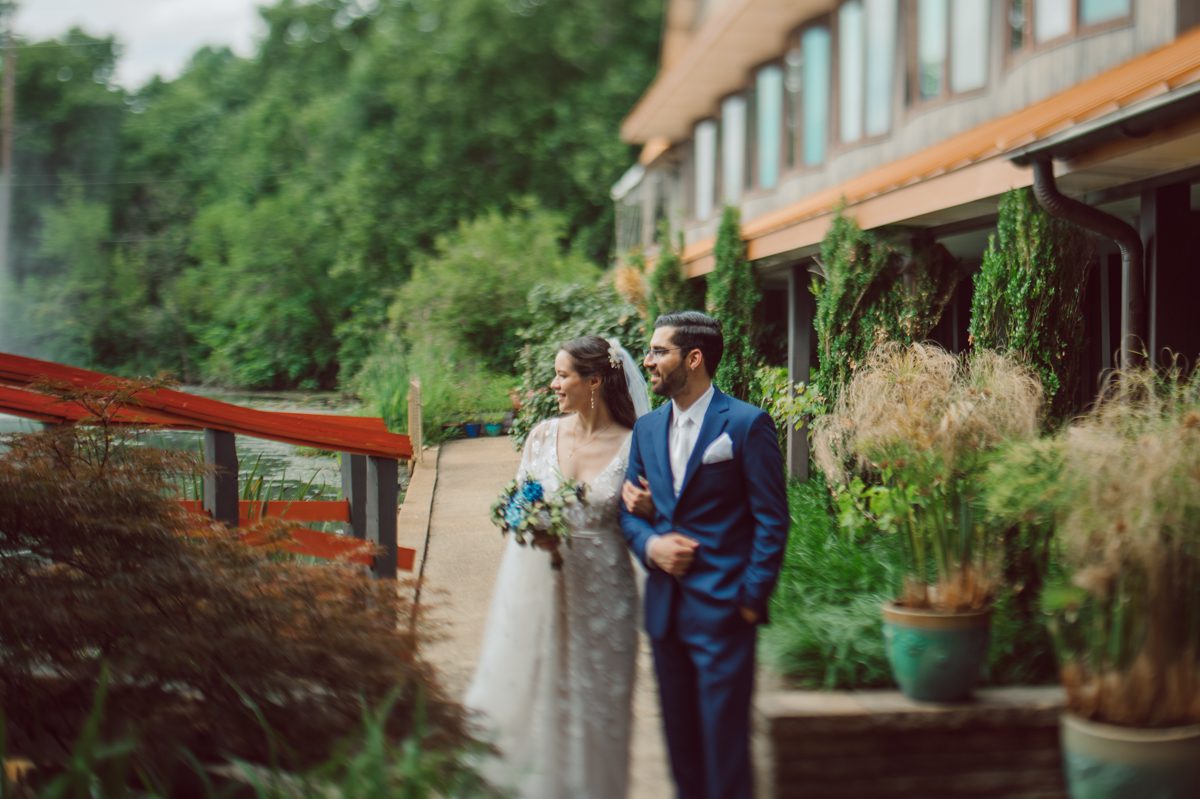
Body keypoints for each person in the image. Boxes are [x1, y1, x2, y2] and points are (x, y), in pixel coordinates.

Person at [465, 335, 652, 798]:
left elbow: (647, 520)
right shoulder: (543, 435)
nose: (554, 384)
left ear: (594, 382)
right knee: (538, 696)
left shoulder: (635, 445)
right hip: (540, 588)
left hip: (606, 594)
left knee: (599, 708)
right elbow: (514, 508)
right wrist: (529, 527)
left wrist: (649, 510)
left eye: (562, 375)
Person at [620, 311, 789, 799]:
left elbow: (771, 519)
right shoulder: (646, 429)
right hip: (665, 615)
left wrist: (751, 600)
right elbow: (628, 512)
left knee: (726, 750)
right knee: (682, 751)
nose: (648, 361)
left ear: (693, 358)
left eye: (658, 351)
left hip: (724, 611)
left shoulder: (745, 424)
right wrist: (653, 545)